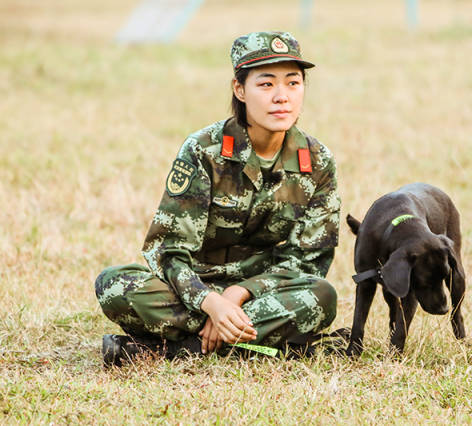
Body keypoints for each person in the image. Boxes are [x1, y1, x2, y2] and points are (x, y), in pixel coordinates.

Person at [95, 31, 341, 366]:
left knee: (320, 296)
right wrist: (210, 302)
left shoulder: (316, 160)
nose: (282, 97)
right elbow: (168, 250)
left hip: (260, 293)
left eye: (293, 83)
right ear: (240, 90)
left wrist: (238, 295)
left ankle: (175, 350)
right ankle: (253, 343)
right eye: (266, 84)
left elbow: (309, 261)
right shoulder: (204, 150)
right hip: (193, 288)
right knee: (115, 284)